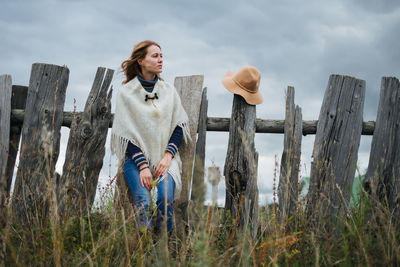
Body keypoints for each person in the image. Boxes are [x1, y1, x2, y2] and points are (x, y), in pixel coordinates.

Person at [111, 40, 190, 232]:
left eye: (161, 56)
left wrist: (167, 157)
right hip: (136, 159)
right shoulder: (126, 93)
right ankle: (143, 249)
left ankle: (163, 250)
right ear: (140, 60)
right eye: (155, 56)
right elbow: (125, 133)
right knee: (143, 202)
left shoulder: (168, 91)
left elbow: (179, 126)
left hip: (165, 159)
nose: (161, 60)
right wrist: (144, 166)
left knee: (164, 200)